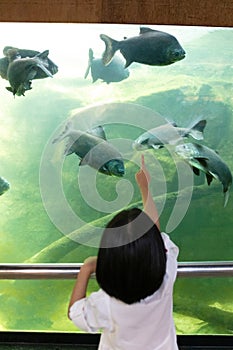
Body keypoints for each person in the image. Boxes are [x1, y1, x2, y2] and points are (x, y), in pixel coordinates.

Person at [68, 154, 179, 350]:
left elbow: (75, 312)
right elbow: (156, 240)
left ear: (108, 261)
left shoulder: (105, 304)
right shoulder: (165, 276)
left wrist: (86, 269)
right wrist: (145, 188)